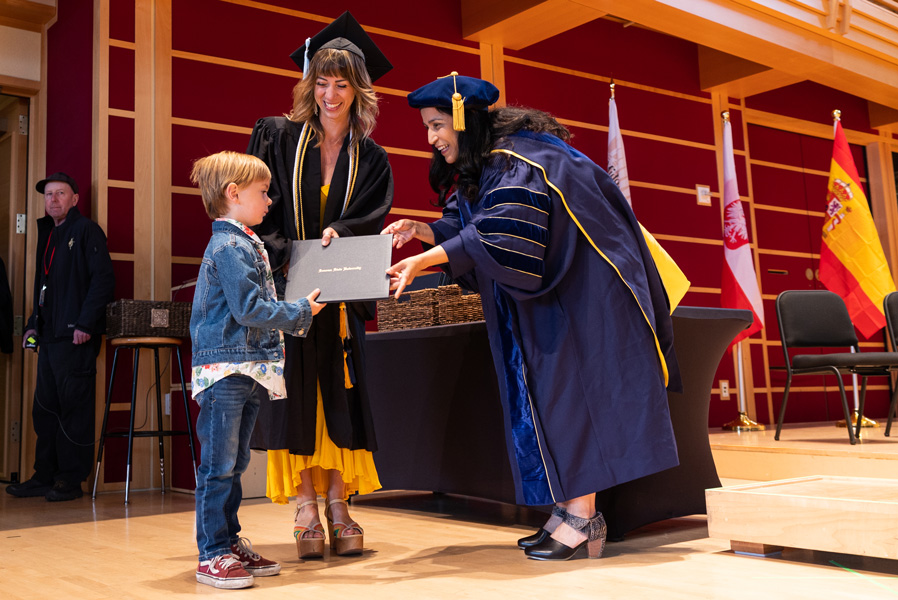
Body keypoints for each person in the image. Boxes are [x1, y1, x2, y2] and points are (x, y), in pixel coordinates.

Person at [382, 74, 681, 561]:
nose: (432, 138)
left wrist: (428, 259)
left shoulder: (520, 160)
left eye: (438, 125)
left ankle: (584, 519)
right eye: (428, 127)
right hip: (552, 299)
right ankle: (567, 512)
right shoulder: (498, 160)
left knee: (574, 400)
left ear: (465, 119)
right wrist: (424, 231)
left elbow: (506, 231)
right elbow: (480, 220)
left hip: (582, 300)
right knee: (550, 399)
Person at [246, 11, 393, 558]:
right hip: (288, 294)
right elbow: (259, 210)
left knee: (340, 397)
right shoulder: (277, 136)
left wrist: (342, 230)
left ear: (359, 90)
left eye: (342, 84)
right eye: (322, 82)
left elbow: (371, 217)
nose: (331, 94)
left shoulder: (371, 158)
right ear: (310, 85)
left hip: (340, 300)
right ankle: (307, 507)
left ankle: (340, 504)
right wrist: (293, 258)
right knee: (295, 398)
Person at [189, 151, 325, 589]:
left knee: (235, 461)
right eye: (263, 192)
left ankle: (228, 542)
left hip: (246, 368)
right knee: (218, 466)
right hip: (225, 369)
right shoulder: (229, 246)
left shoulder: (245, 241)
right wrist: (300, 310)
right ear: (233, 194)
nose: (270, 201)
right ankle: (211, 553)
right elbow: (249, 309)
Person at [5, 172, 115, 502]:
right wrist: (32, 326)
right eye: (48, 195)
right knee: (46, 410)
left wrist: (85, 323)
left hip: (76, 337)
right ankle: (45, 475)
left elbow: (103, 281)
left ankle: (70, 479)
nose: (53, 200)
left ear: (75, 198)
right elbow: (44, 287)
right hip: (50, 336)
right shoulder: (50, 235)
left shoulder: (86, 231)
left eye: (60, 194)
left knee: (74, 409)